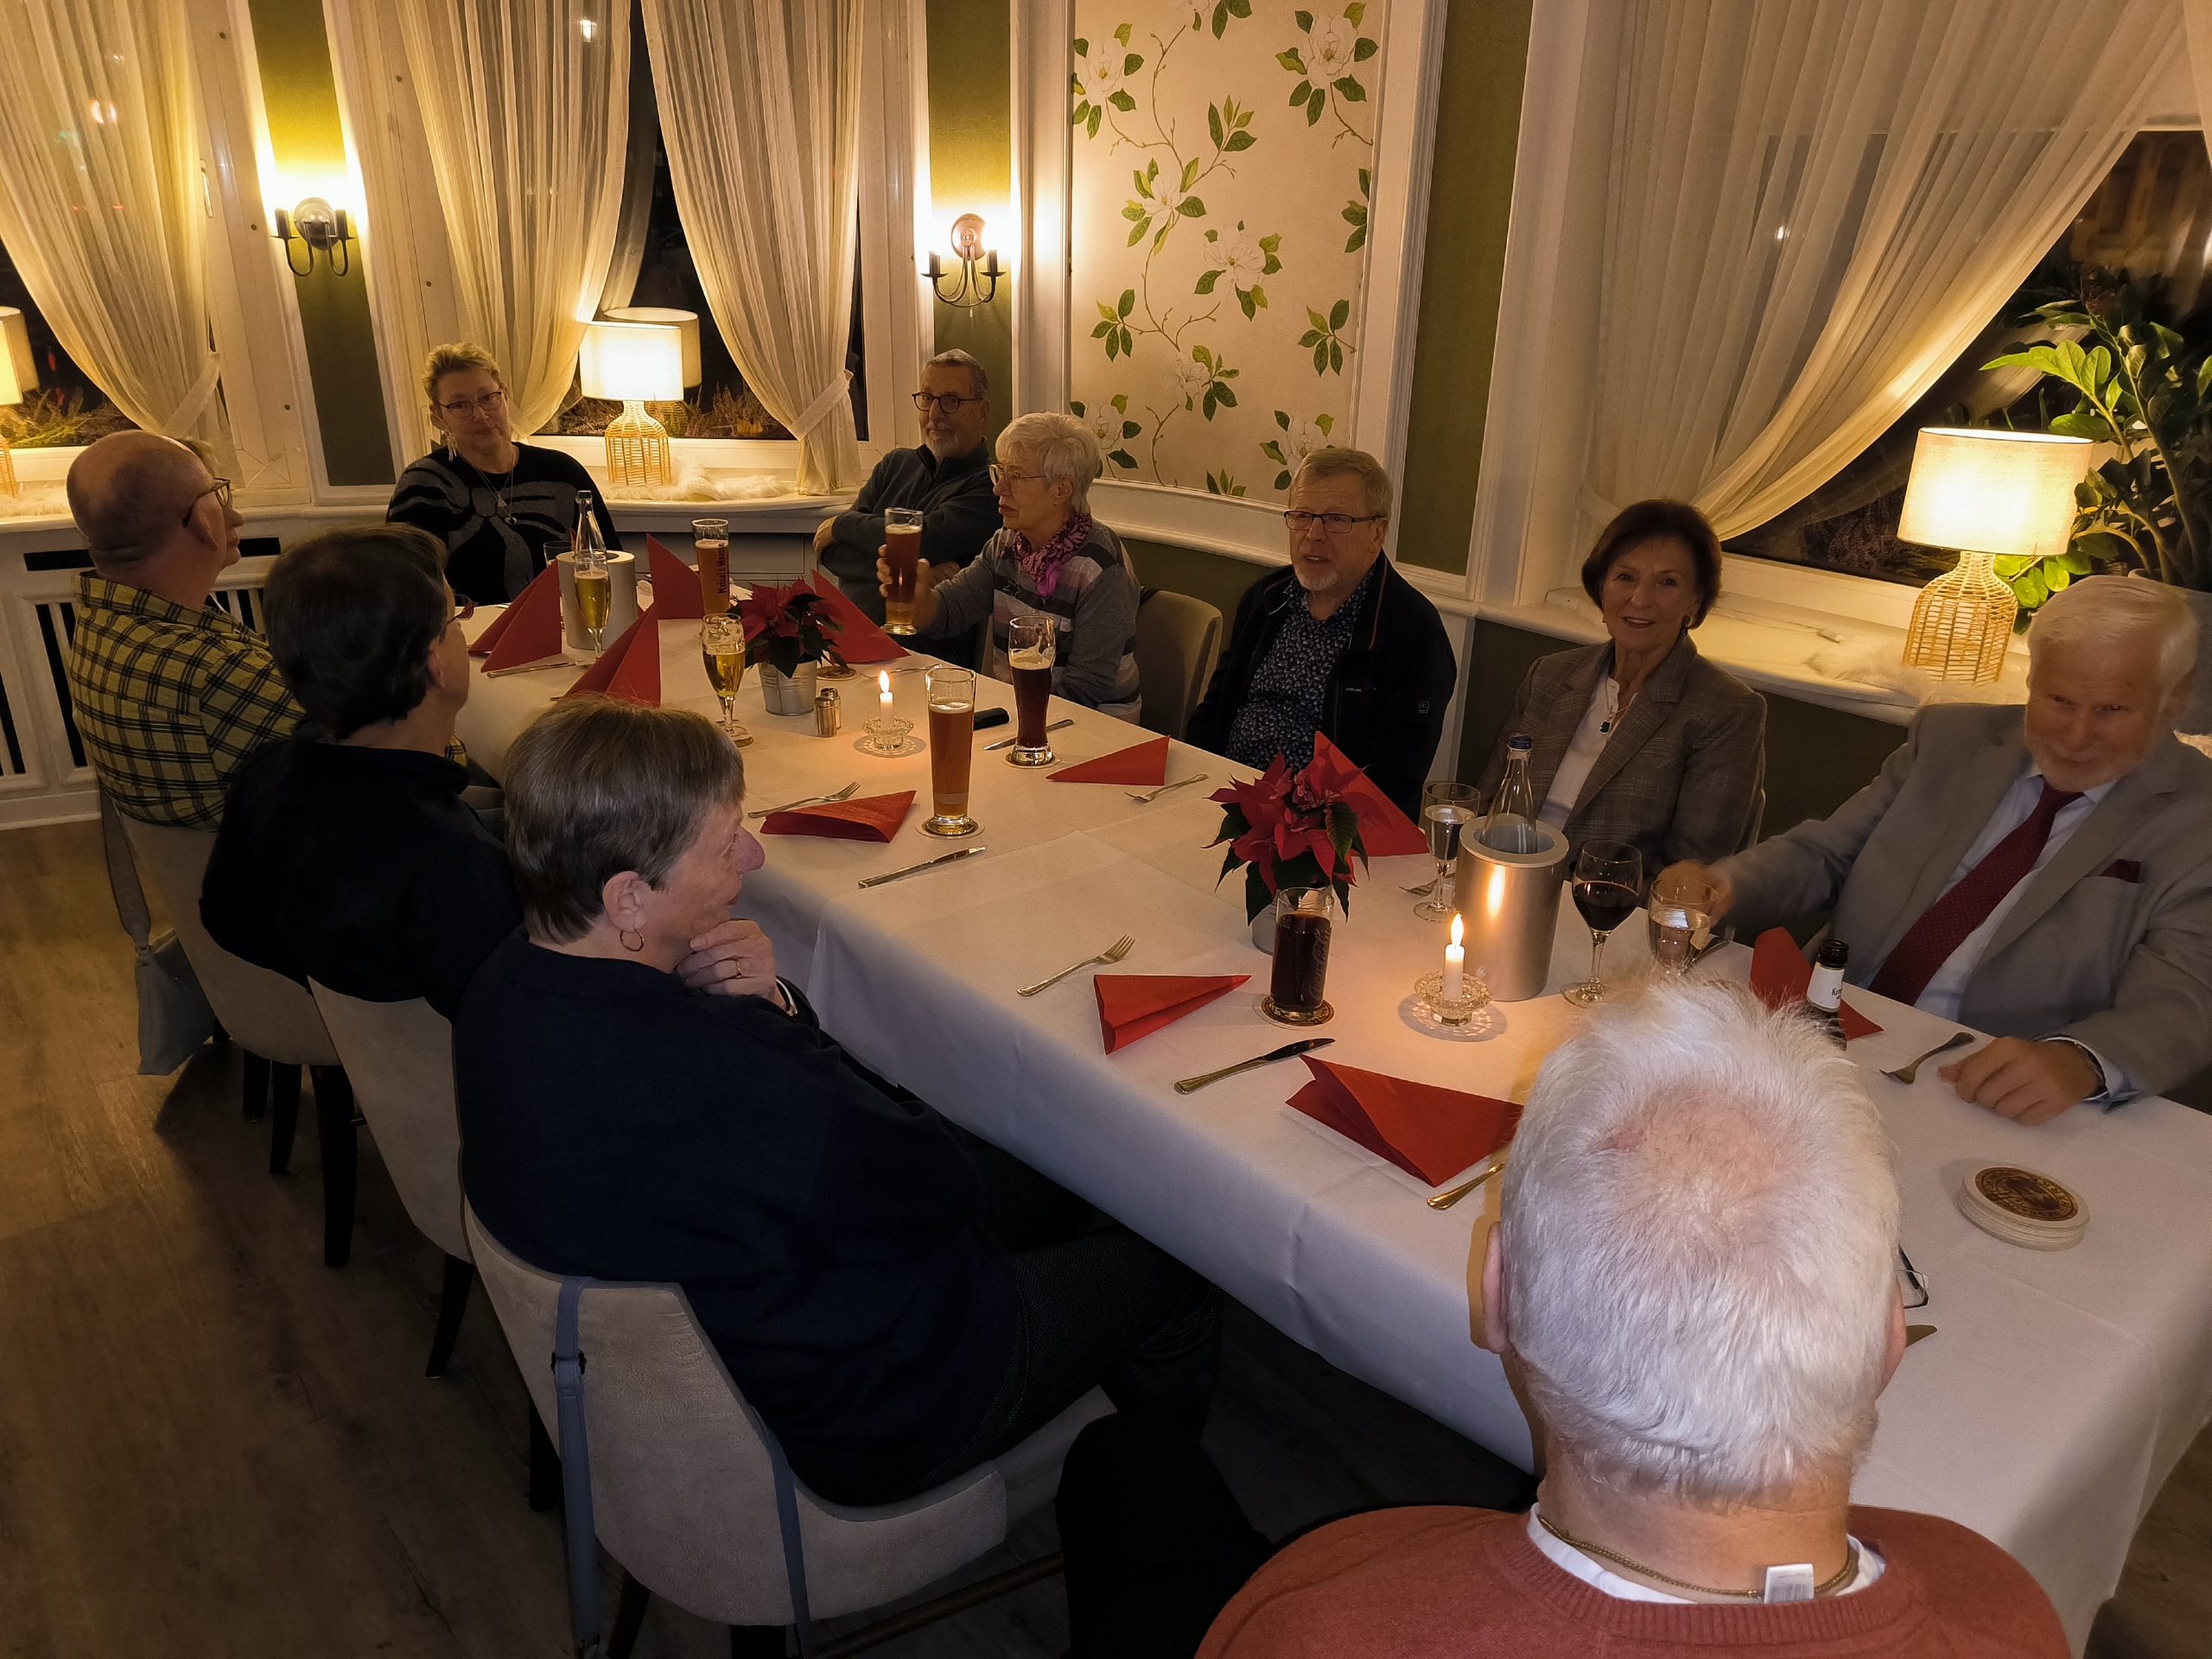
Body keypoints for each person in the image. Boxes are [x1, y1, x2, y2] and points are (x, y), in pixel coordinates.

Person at [1058, 982, 2068, 1659]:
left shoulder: (1322, 1615)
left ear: (1496, 1294)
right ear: (1888, 1337)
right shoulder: (1999, 1602)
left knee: (1127, 1463)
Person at [454, 698, 1217, 1507]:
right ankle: (1142, 1497)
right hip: (866, 1406)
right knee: (1182, 1255)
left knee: (1054, 1177)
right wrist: (775, 1019)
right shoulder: (722, 1068)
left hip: (735, 1318)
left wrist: (769, 1011)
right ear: (628, 900)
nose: (753, 857)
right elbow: (937, 1187)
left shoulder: (502, 985)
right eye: (725, 843)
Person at [1663, 574, 2212, 1122]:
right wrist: (1724, 885)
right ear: (2033, 677)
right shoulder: (1951, 739)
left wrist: (2082, 1059)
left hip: (1984, 1082)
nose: (2076, 735)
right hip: (1825, 1025)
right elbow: (1826, 854)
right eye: (2059, 700)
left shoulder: (2198, 821)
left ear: (2176, 696)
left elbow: (2184, 998)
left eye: (2112, 710)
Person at [198, 524, 519, 1019]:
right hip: (443, 1065)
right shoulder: (451, 861)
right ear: (435, 663)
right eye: (455, 618)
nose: (462, 629)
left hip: (355, 1048)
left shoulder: (266, 775)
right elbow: (515, 1024)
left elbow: (226, 918)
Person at [1474, 499, 1764, 869]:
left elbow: (1689, 873)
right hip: (1505, 878)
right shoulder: (1550, 675)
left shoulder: (1726, 710)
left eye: (1667, 582)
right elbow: (1487, 804)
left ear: (1695, 601)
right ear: (1602, 588)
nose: (1640, 599)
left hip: (1609, 900)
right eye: (1625, 577)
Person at [1185, 448, 1456, 816]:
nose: (1313, 535)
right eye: (1302, 516)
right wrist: (1197, 787)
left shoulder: (1414, 633)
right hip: (1227, 797)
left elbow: (1393, 782)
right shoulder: (1266, 599)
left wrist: (1298, 824)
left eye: (1336, 519)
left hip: (1322, 828)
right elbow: (1214, 711)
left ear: (1377, 533)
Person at [62, 431, 301, 829]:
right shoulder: (216, 669)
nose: (235, 516)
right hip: (277, 862)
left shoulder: (101, 624)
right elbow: (385, 760)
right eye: (219, 495)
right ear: (203, 519)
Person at [883, 410, 1144, 719]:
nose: (998, 488)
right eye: (1001, 472)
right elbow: (950, 612)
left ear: (1061, 489)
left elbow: (1085, 690)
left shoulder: (1100, 566)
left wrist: (1009, 725)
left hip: (1097, 727)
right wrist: (919, 600)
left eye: (1016, 476)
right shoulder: (1007, 543)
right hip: (1020, 712)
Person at [387, 341, 622, 604]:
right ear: (438, 417)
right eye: (460, 405)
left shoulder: (562, 472)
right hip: (469, 627)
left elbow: (611, 562)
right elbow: (408, 592)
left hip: (560, 622)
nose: (480, 415)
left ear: (505, 396)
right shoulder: (423, 486)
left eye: (488, 398)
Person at [814, 348, 1001, 625]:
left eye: (951, 401)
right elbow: (833, 553)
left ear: (982, 413)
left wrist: (843, 524)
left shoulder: (992, 488)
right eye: (927, 398)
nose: (934, 414)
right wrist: (912, 575)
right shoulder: (895, 464)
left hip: (920, 643)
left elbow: (927, 540)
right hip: (846, 634)